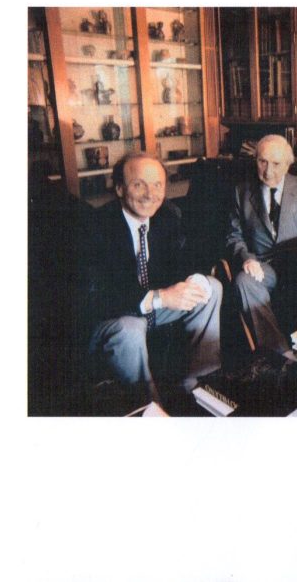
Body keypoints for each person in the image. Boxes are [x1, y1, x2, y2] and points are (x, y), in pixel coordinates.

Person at [82, 151, 222, 406]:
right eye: (139, 184)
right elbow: (97, 295)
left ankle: (197, 381)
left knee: (211, 289)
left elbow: (186, 258)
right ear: (120, 188)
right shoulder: (95, 225)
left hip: (150, 308)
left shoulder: (167, 215)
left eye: (158, 185)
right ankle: (149, 406)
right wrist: (160, 298)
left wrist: (195, 278)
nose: (150, 194)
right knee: (132, 327)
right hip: (109, 320)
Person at [228, 134, 297, 357]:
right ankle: (280, 352)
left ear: (288, 164)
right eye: (262, 161)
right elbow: (234, 237)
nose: (268, 171)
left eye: (276, 164)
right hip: (263, 266)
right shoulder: (241, 191)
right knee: (243, 281)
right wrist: (246, 258)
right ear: (256, 160)